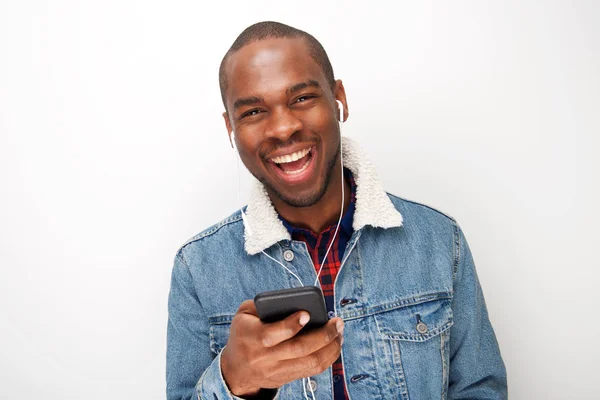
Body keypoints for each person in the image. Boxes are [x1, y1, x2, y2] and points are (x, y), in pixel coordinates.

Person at [166, 21, 507, 400]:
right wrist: (232, 381)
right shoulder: (197, 269)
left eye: (301, 98)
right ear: (231, 128)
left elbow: (481, 390)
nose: (282, 128)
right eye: (253, 112)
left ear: (339, 99)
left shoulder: (440, 241)